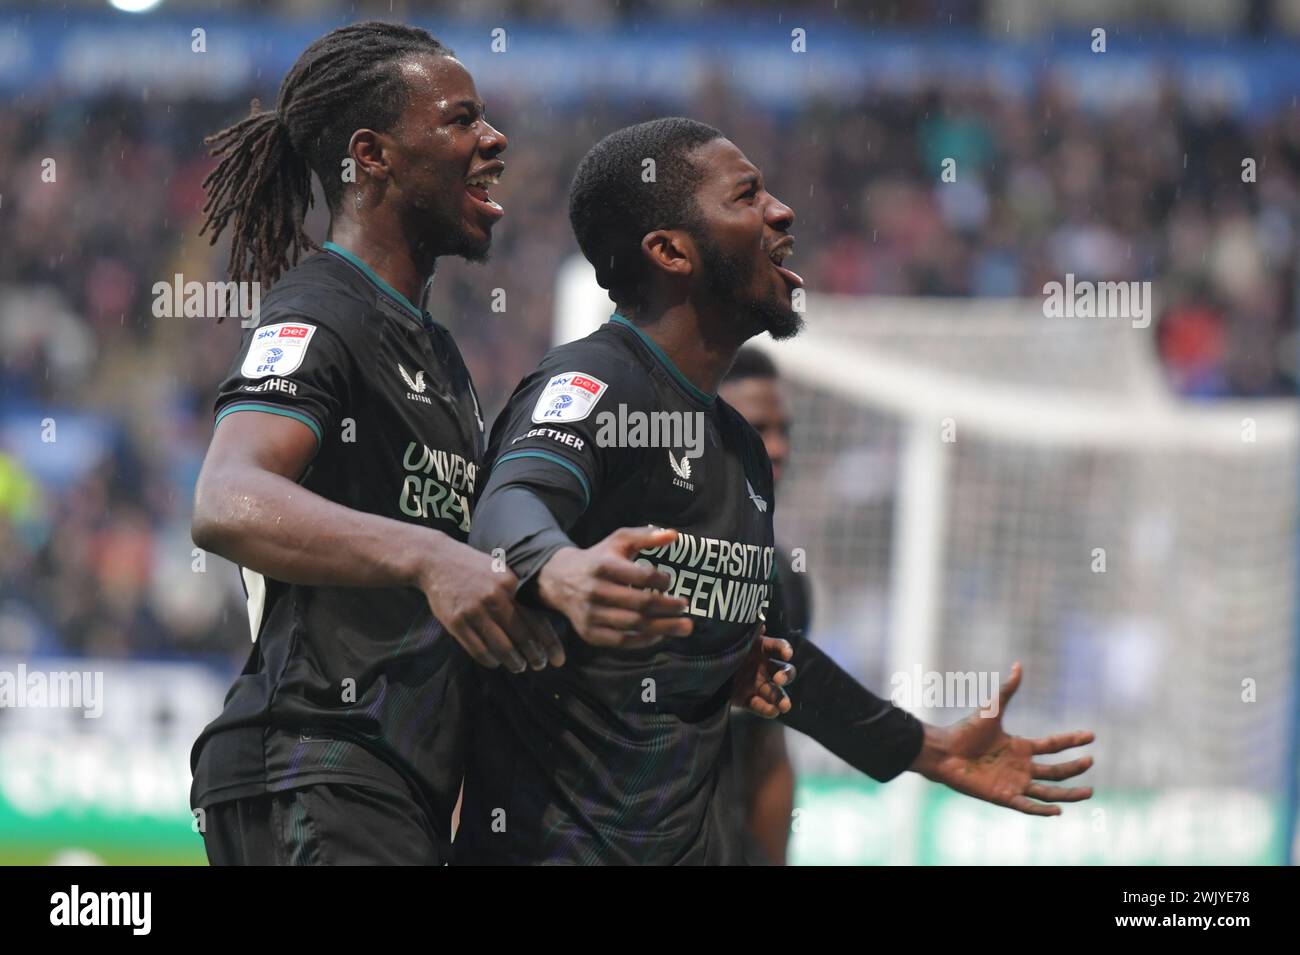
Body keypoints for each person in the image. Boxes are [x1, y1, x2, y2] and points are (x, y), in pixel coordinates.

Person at [456, 118, 1095, 864]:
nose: (782, 212)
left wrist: (928, 748)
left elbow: (775, 658)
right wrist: (560, 568)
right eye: (748, 195)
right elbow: (507, 509)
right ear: (670, 251)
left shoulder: (741, 450)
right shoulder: (594, 381)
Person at [187, 21, 576, 866]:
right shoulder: (317, 308)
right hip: (314, 761)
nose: (494, 139)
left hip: (388, 787)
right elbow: (225, 499)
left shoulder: (436, 355)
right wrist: (427, 557)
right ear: (373, 156)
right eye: (461, 120)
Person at [717, 346, 803, 865]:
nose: (776, 449)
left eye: (784, 431)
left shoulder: (787, 582)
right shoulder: (636, 550)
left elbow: (769, 751)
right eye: (757, 429)